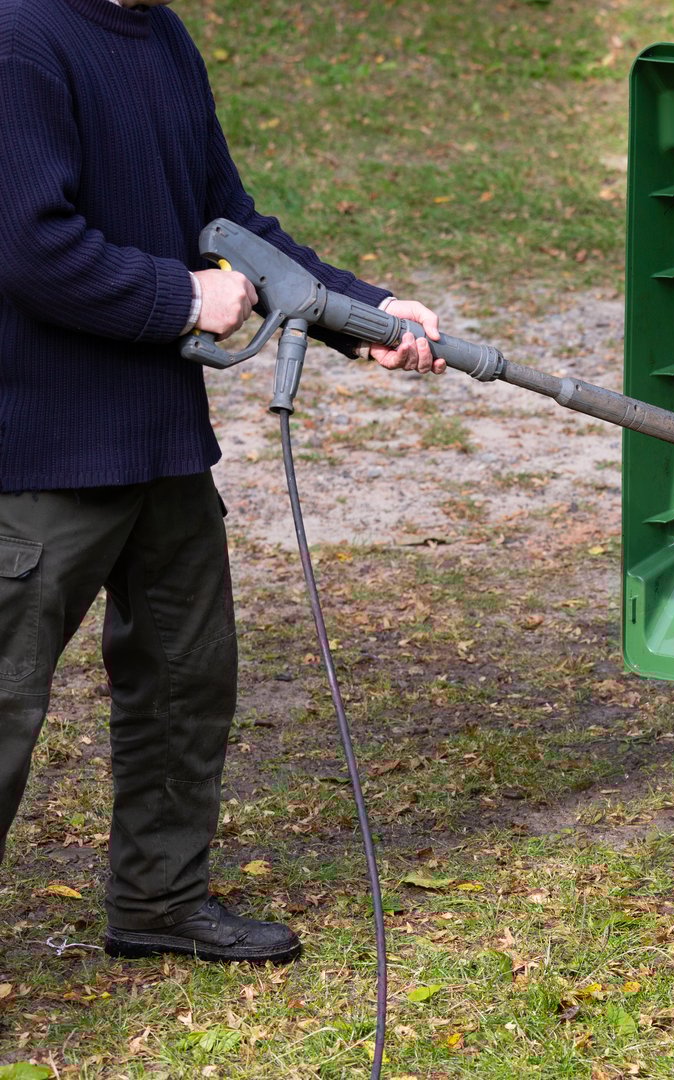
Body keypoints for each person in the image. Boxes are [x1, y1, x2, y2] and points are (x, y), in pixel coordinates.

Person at [0, 0, 446, 963]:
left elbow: (230, 225)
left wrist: (361, 312)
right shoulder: (19, 36)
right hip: (36, 451)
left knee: (184, 681)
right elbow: (31, 249)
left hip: (161, 442)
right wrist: (180, 296)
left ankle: (158, 900)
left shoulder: (157, 35)